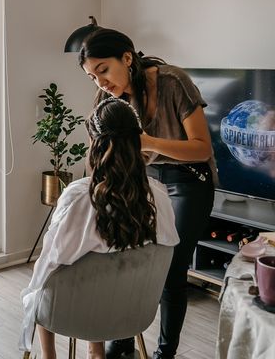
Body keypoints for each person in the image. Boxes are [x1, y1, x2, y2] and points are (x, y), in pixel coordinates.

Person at [78, 28, 216, 359]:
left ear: (127, 58)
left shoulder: (173, 82)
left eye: (103, 70)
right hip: (144, 180)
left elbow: (201, 149)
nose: (100, 82)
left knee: (171, 269)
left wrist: (148, 141)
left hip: (188, 180)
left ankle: (165, 353)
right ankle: (122, 342)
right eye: (92, 76)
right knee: (129, 260)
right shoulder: (109, 99)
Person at [20, 97, 180, 359]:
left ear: (94, 142)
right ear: (138, 140)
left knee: (42, 287)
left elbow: (50, 263)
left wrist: (31, 292)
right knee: (100, 277)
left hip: (71, 312)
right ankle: (97, 352)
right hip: (131, 311)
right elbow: (167, 248)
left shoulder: (79, 197)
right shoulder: (159, 196)